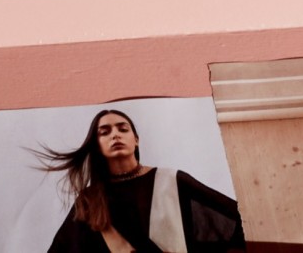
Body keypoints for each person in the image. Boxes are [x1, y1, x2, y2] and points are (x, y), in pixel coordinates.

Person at [37, 108, 244, 253]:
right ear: (97, 146)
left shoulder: (172, 180)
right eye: (105, 132)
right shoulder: (90, 200)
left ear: (136, 140)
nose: (115, 135)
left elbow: (239, 221)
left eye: (123, 129)